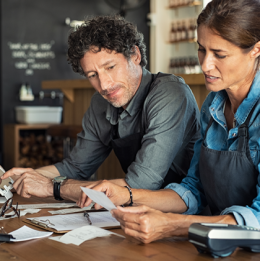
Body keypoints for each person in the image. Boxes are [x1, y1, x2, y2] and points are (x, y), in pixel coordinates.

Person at [78, 0, 260, 243]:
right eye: (201, 49)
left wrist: (173, 225)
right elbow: (194, 189)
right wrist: (125, 195)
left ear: (256, 49)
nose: (205, 64)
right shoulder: (212, 106)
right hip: (218, 244)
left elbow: (257, 220)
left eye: (220, 54)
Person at [1, 15, 200, 202]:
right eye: (92, 75)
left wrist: (52, 187)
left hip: (187, 214)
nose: (104, 85)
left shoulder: (169, 93)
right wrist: (26, 177)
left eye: (110, 67)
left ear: (135, 55)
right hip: (139, 212)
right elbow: (75, 167)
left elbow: (141, 184)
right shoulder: (100, 103)